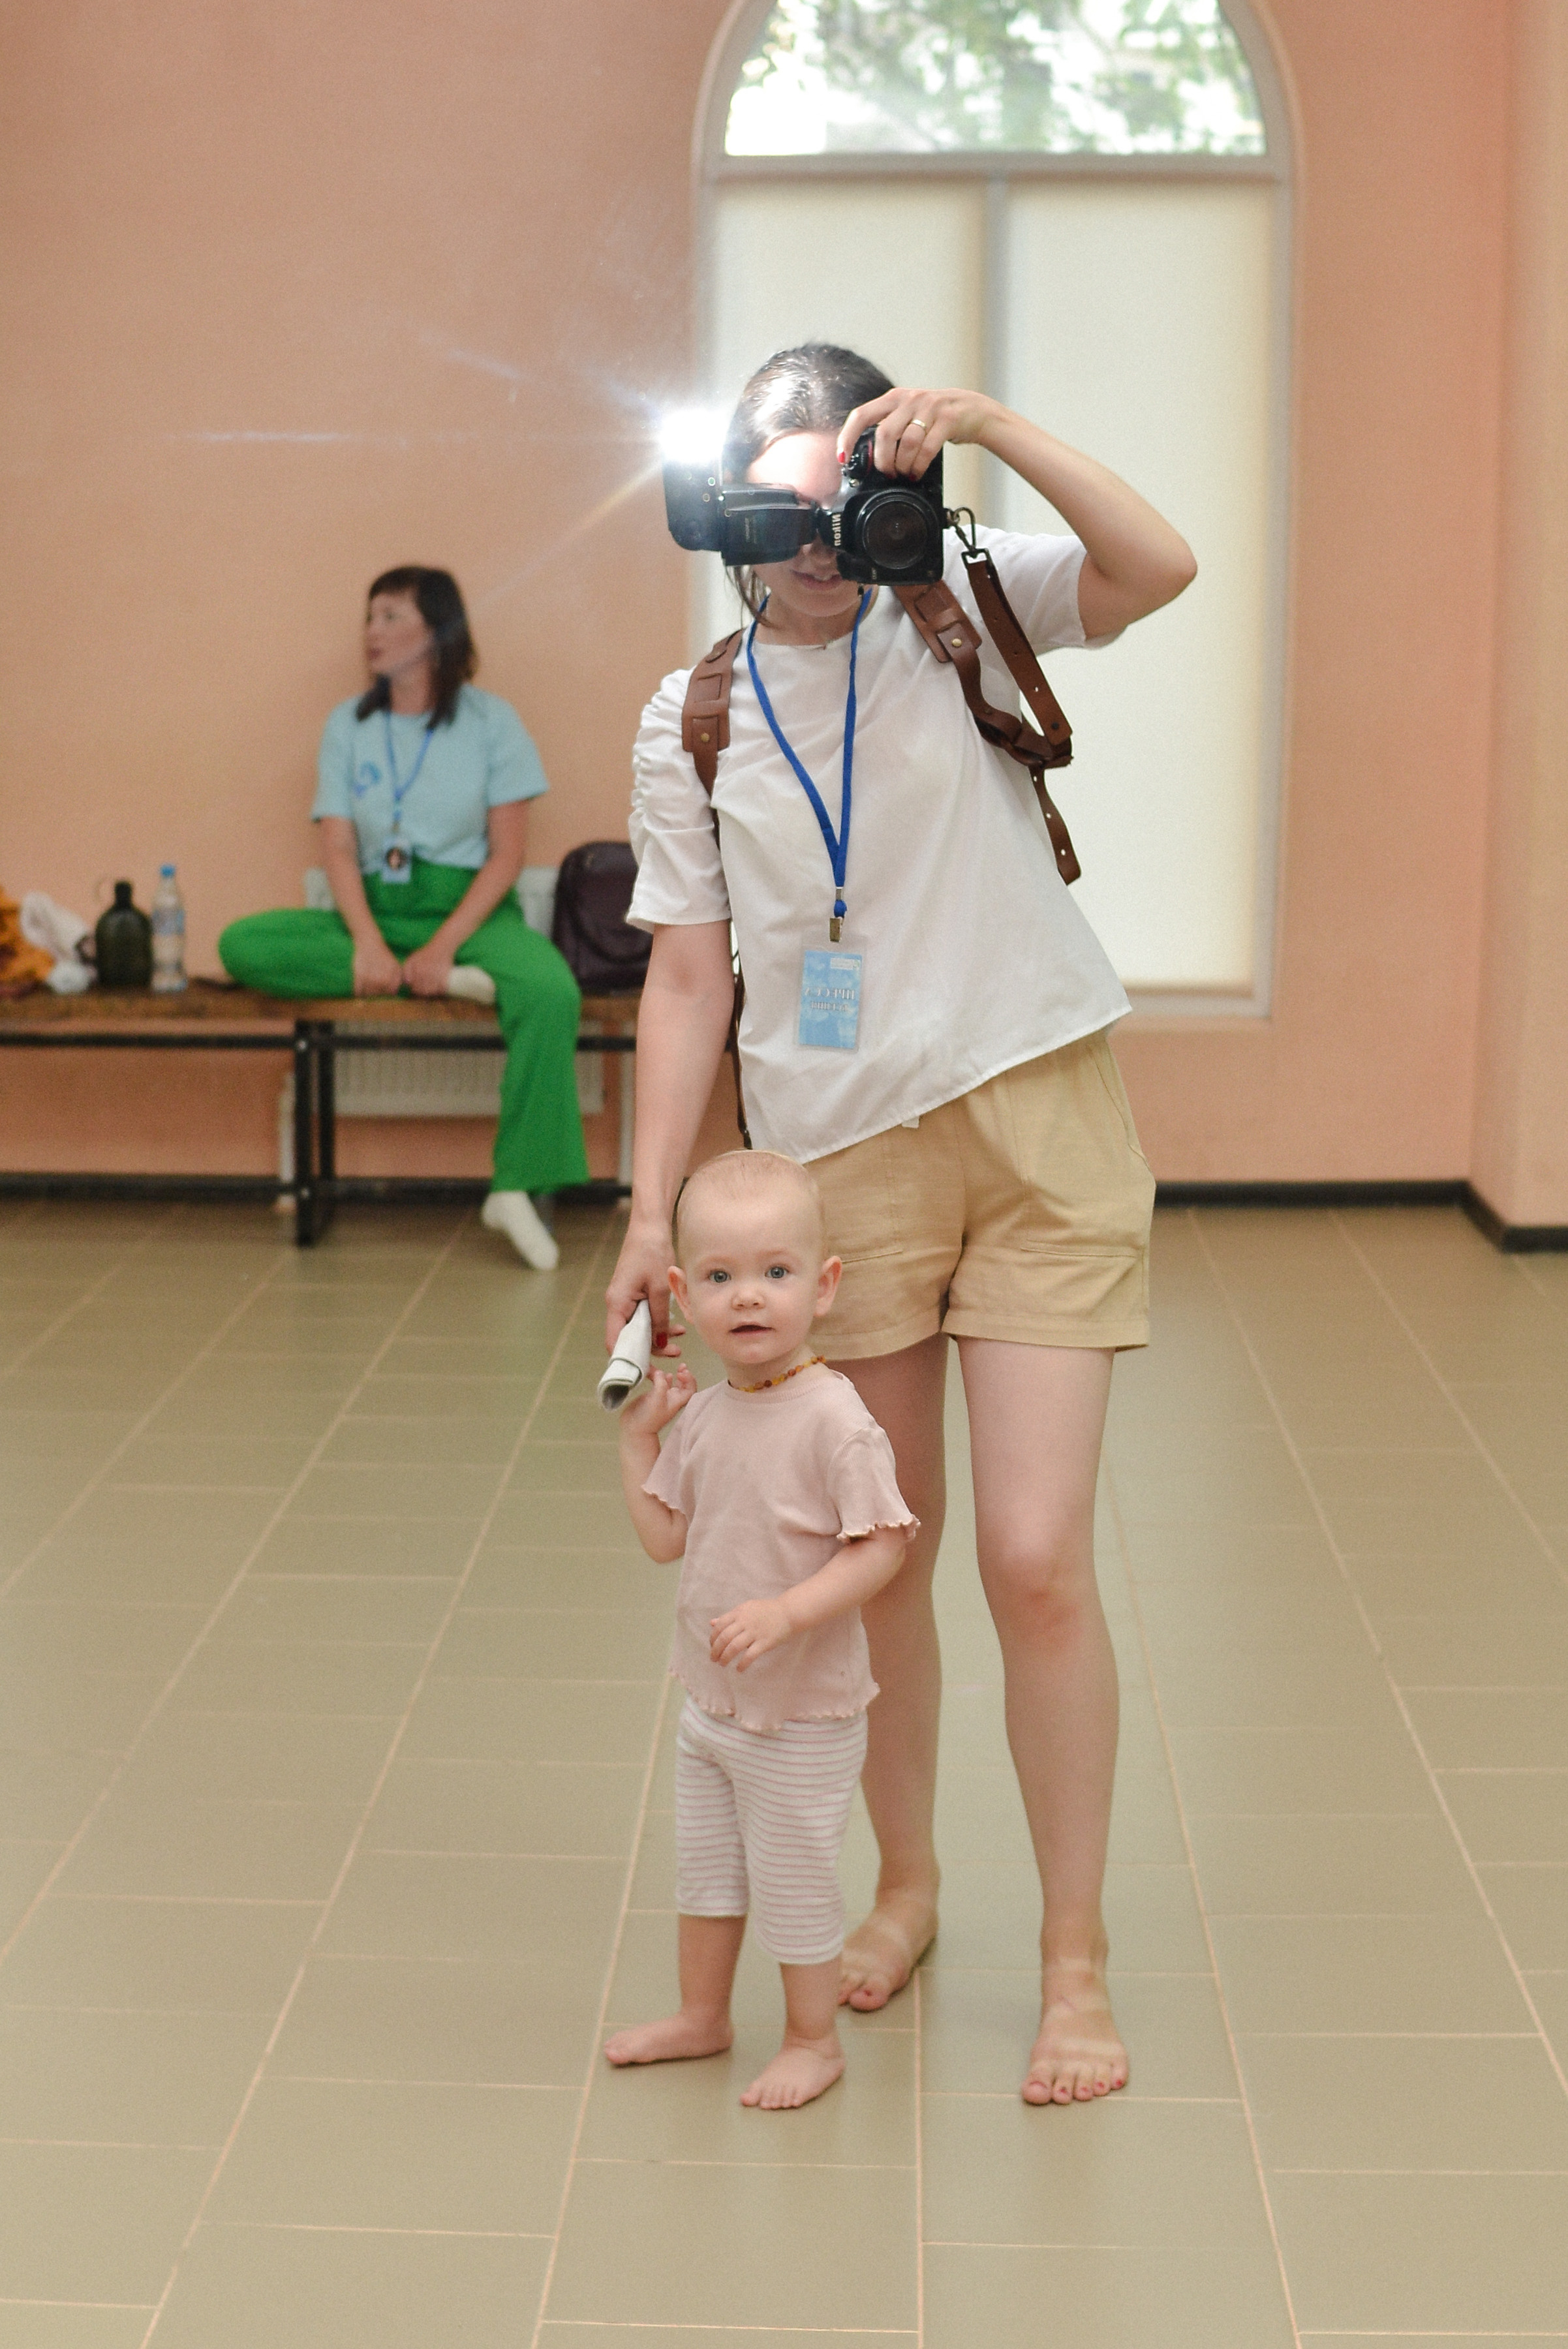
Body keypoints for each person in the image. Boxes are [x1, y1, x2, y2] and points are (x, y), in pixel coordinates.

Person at [607, 345, 1196, 2106]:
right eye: (776, 509)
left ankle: (1073, 1958)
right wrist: (648, 1211)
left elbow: (1156, 567)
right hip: (837, 1165)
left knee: (1031, 1557)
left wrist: (995, 430)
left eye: (843, 502)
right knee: (878, 1561)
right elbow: (689, 974)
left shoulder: (955, 597)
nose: (813, 544)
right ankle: (910, 1887)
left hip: (1036, 1118)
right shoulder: (691, 712)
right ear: (721, 507)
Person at [606, 1149, 916, 2110]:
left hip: (801, 1716)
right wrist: (635, 1442)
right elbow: (665, 1539)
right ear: (680, 1297)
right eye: (720, 1277)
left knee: (791, 1881)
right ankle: (704, 2017)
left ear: (822, 1288)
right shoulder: (702, 1419)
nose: (748, 1298)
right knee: (705, 1875)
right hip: (712, 1700)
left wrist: (788, 1612)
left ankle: (811, 2039)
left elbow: (883, 1548)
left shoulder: (836, 1422)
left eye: (775, 1273)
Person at [219, 565, 587, 1268]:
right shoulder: (348, 726)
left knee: (550, 992)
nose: (372, 633)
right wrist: (366, 942)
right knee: (244, 945)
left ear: (437, 632)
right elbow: (337, 843)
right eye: (369, 617)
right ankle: (448, 982)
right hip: (377, 913)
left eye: (391, 617)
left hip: (471, 917)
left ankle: (515, 1187)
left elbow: (507, 857)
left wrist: (447, 946)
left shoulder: (492, 722)